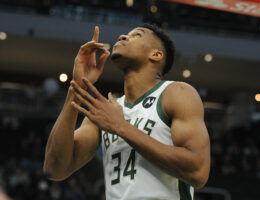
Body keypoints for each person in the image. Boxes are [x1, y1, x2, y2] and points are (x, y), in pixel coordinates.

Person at [43, 23, 210, 200]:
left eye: (137, 35)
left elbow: (198, 172)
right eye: (125, 35)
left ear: (156, 54)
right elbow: (55, 169)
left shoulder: (177, 93)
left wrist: (121, 126)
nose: (123, 37)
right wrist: (77, 87)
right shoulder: (105, 110)